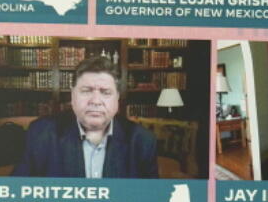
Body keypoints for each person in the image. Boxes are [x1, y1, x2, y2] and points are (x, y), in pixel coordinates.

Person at [13, 55, 159, 178]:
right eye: (86, 90)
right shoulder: (41, 134)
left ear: (117, 99)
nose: (95, 101)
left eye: (105, 92)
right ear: (72, 96)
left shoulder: (142, 141)